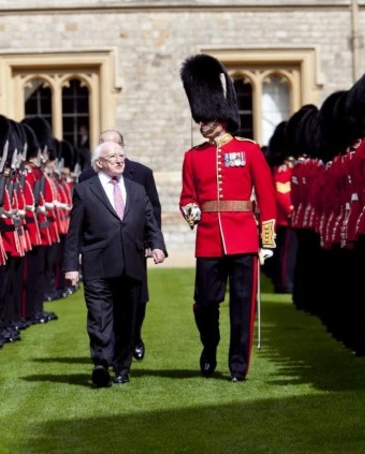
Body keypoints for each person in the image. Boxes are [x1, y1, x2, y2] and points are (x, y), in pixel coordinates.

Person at [178, 54, 277, 382]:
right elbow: (187, 197)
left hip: (244, 238)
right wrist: (191, 211)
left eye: (206, 117)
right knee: (205, 303)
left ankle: (238, 367)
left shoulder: (249, 151)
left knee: (241, 308)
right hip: (208, 239)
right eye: (200, 117)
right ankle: (210, 345)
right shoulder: (192, 157)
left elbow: (266, 197)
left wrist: (266, 241)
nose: (202, 124)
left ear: (220, 117)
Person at [64, 140, 166, 387]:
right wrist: (71, 266)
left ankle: (122, 368)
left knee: (126, 319)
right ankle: (101, 363)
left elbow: (149, 221)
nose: (120, 160)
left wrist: (158, 245)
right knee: (99, 317)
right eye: (113, 157)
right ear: (100, 163)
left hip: (130, 262)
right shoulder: (85, 190)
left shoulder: (137, 189)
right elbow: (74, 232)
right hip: (97, 263)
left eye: (122, 155)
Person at [78, 129, 162, 362]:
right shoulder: (87, 177)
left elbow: (152, 210)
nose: (114, 155)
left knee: (137, 299)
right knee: (103, 304)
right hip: (101, 251)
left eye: (117, 149)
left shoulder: (141, 173)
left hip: (133, 247)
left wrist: (151, 242)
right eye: (105, 146)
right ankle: (110, 351)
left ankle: (134, 336)